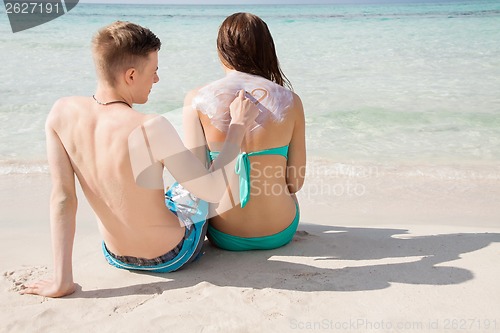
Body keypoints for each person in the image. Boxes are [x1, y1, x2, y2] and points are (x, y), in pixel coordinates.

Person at [20, 21, 259, 298]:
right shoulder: (150, 126)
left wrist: (62, 281)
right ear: (131, 75)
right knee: (197, 186)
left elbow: (63, 199)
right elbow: (213, 191)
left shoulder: (60, 113)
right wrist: (237, 129)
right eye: (154, 71)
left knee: (173, 190)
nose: (156, 80)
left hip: (116, 254)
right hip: (171, 254)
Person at [183, 13, 306, 251]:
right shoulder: (291, 101)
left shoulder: (196, 100)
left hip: (223, 233)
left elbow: (197, 183)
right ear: (267, 50)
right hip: (279, 231)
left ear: (221, 51)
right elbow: (295, 182)